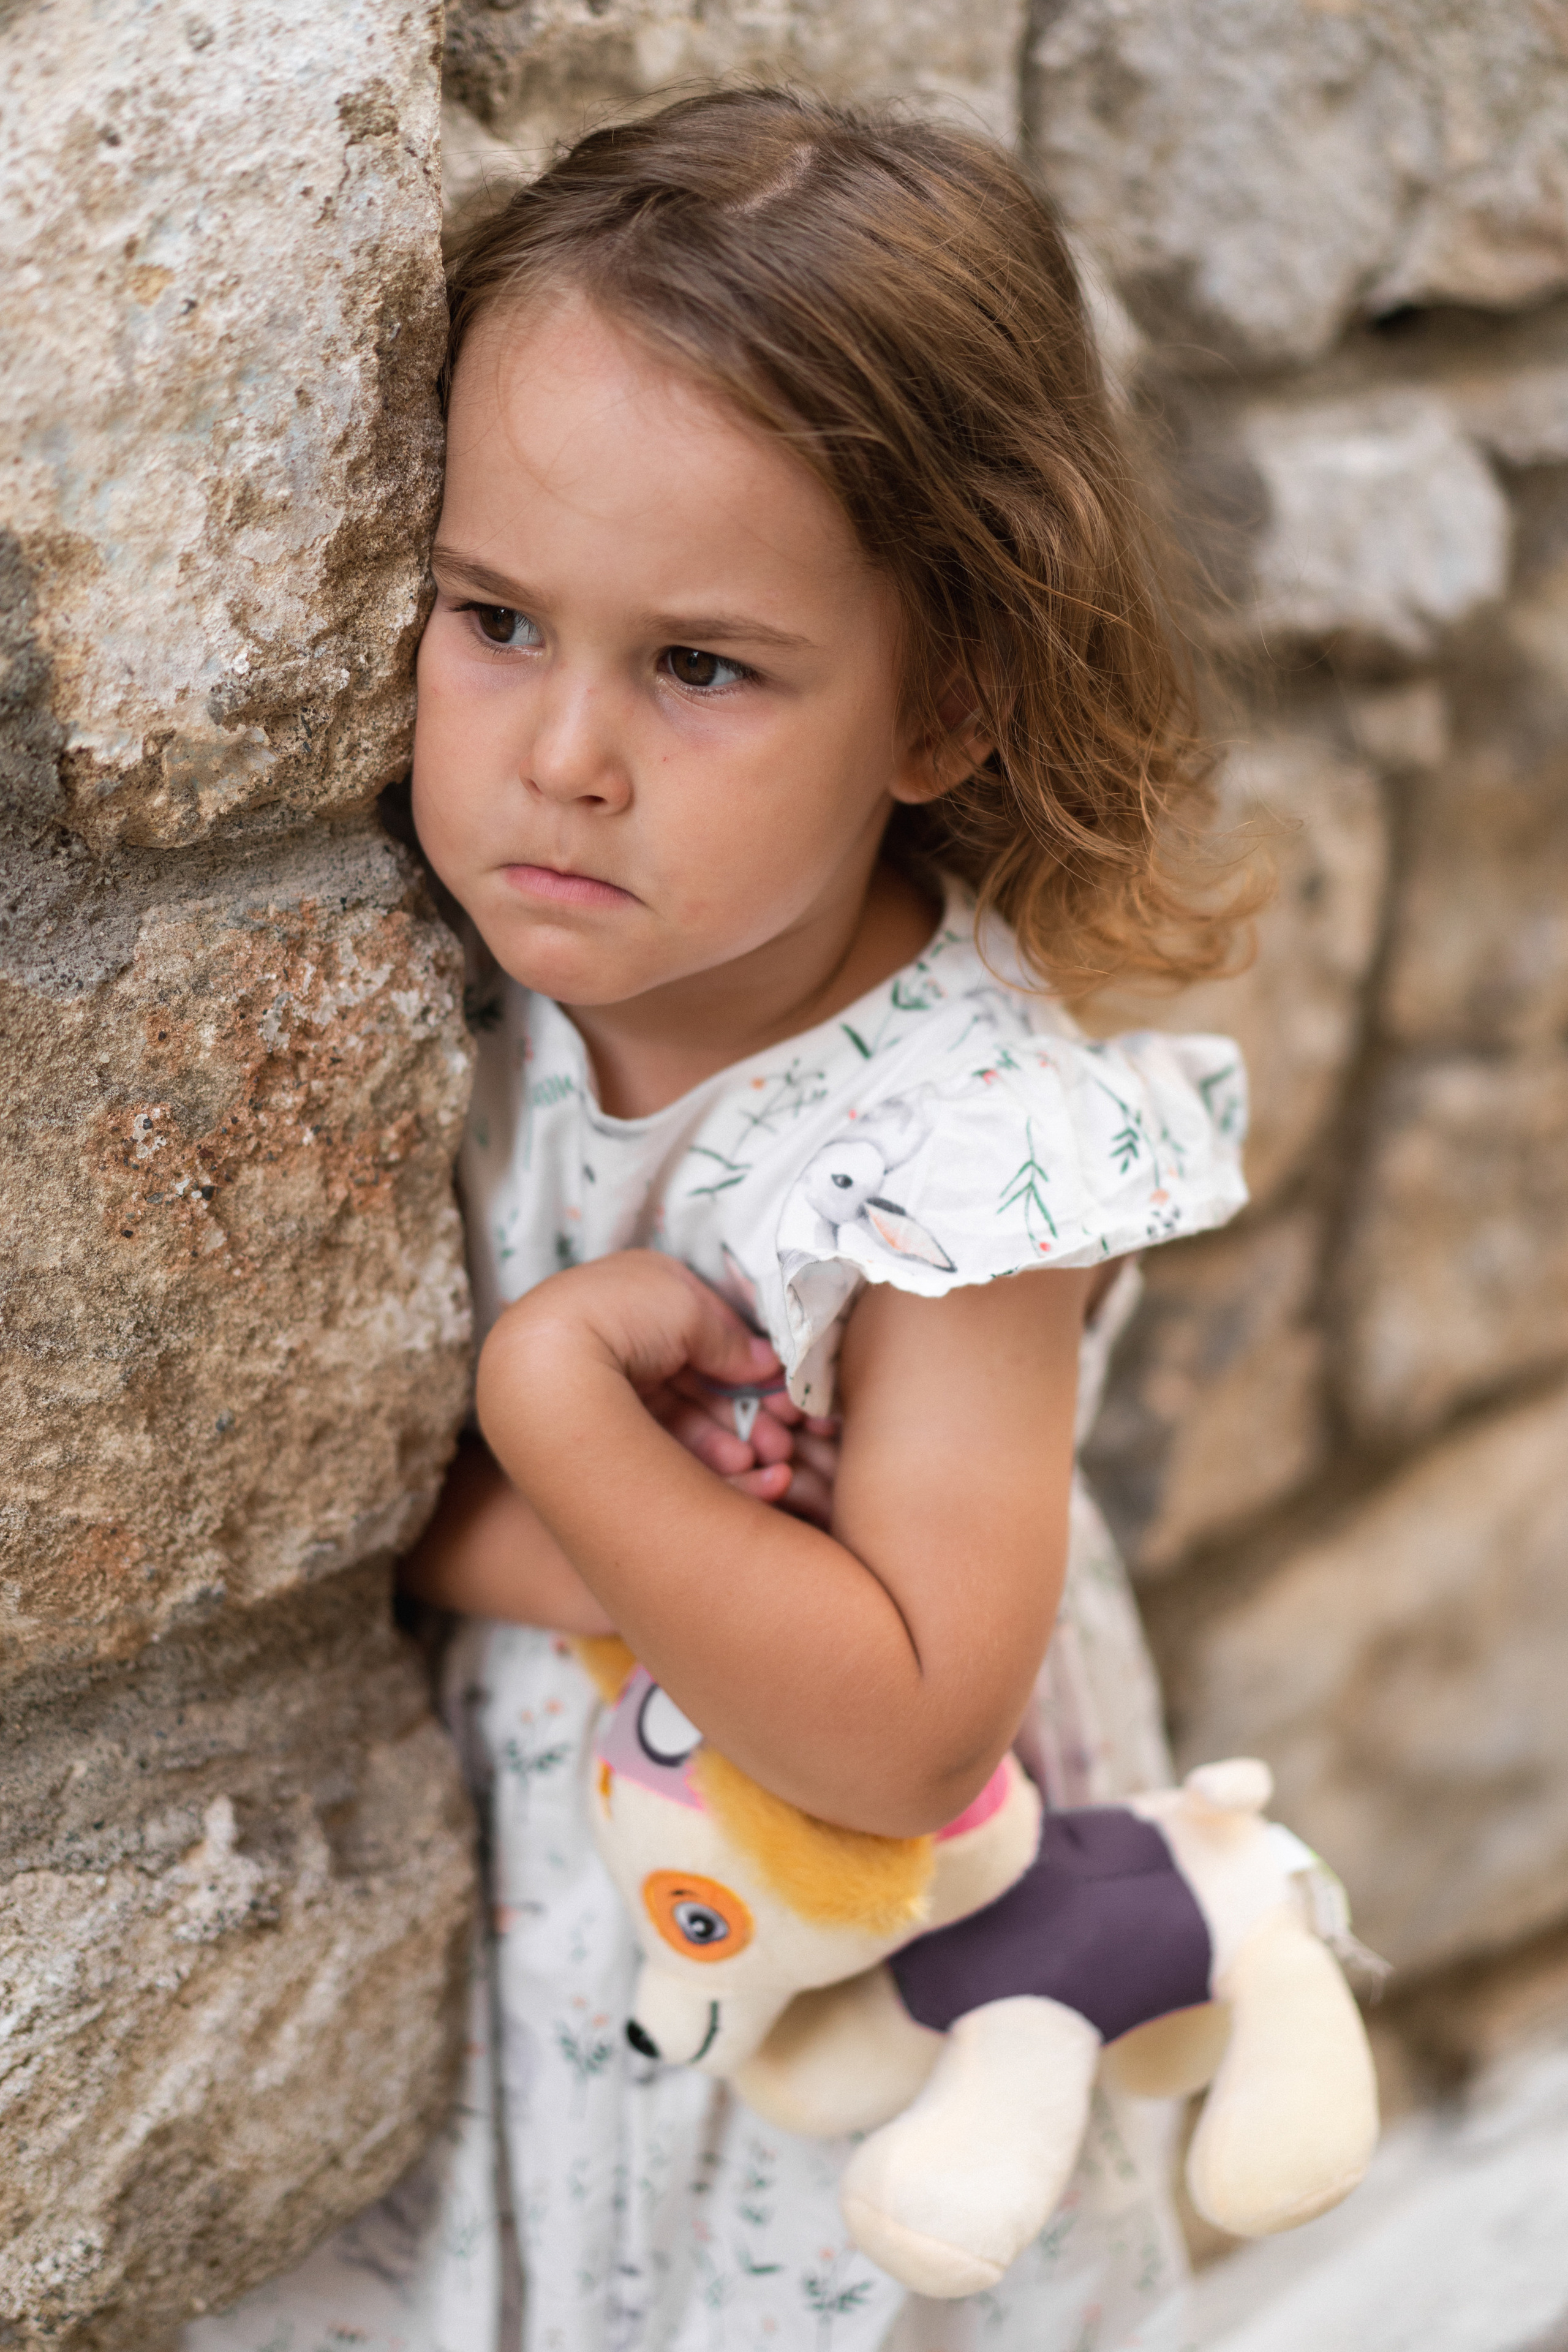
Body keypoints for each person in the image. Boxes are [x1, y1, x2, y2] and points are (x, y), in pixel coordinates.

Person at [186, 87, 1253, 2352]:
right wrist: (587, 1534)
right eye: (495, 618)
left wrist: (550, 1404)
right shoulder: (455, 996)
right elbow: (419, 1536)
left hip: (843, 2045)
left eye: (698, 665)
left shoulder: (966, 1160)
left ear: (948, 697)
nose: (562, 754)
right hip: (554, 1989)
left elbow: (894, 1727)